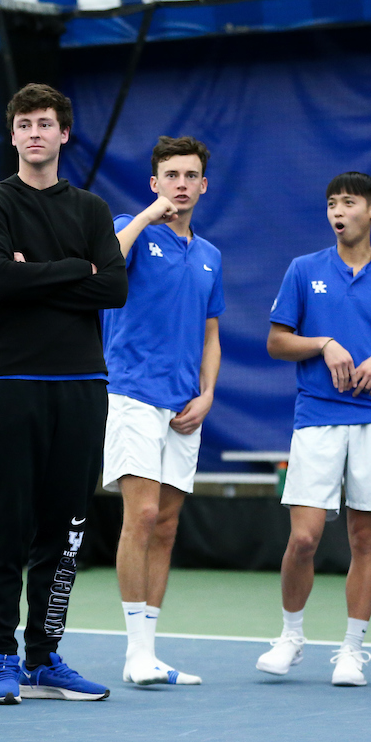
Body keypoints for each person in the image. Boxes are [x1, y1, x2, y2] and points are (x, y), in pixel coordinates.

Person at [0, 83, 128, 705]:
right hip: (11, 382)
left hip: (83, 385)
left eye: (45, 123)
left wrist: (34, 272)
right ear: (12, 134)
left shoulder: (92, 209)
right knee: (5, 526)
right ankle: (1, 657)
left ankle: (43, 656)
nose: (35, 133)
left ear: (64, 134)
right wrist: (74, 268)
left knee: (65, 530)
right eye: (24, 124)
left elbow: (114, 288)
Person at [257, 172, 371, 687]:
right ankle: (290, 637)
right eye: (331, 203)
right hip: (316, 419)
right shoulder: (304, 270)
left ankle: (352, 650)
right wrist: (323, 343)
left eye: (348, 203)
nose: (337, 211)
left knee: (365, 539)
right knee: (304, 538)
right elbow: (277, 342)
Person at [103, 136, 223, 687]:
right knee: (144, 515)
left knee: (167, 525)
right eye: (171, 175)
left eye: (190, 175)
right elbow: (105, 261)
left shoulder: (210, 256)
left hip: (185, 405)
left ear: (203, 185)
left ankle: (149, 652)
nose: (181, 183)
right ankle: (135, 653)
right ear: (155, 183)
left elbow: (211, 334)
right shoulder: (133, 227)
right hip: (131, 393)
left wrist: (208, 393)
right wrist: (148, 216)